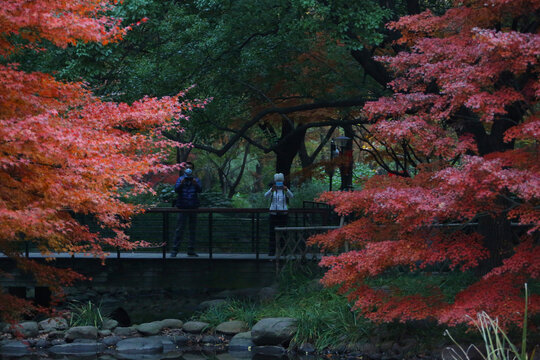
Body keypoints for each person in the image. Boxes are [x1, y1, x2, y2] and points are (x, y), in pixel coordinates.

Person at [171, 162, 202, 257]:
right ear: (184, 169)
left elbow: (200, 190)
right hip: (182, 207)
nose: (189, 169)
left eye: (190, 168)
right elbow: (176, 190)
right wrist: (181, 183)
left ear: (192, 169)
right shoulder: (180, 179)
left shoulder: (196, 179)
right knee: (179, 229)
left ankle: (191, 250)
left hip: (193, 207)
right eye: (187, 168)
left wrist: (196, 184)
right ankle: (174, 251)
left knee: (192, 229)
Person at [264, 173, 294, 256]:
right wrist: (271, 190)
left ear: (283, 181)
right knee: (272, 233)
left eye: (280, 181)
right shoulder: (272, 190)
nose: (279, 183)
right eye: (277, 181)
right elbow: (266, 196)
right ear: (275, 181)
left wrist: (286, 189)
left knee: (284, 232)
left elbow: (291, 196)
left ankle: (283, 251)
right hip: (273, 213)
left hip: (283, 213)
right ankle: (272, 252)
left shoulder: (285, 190)